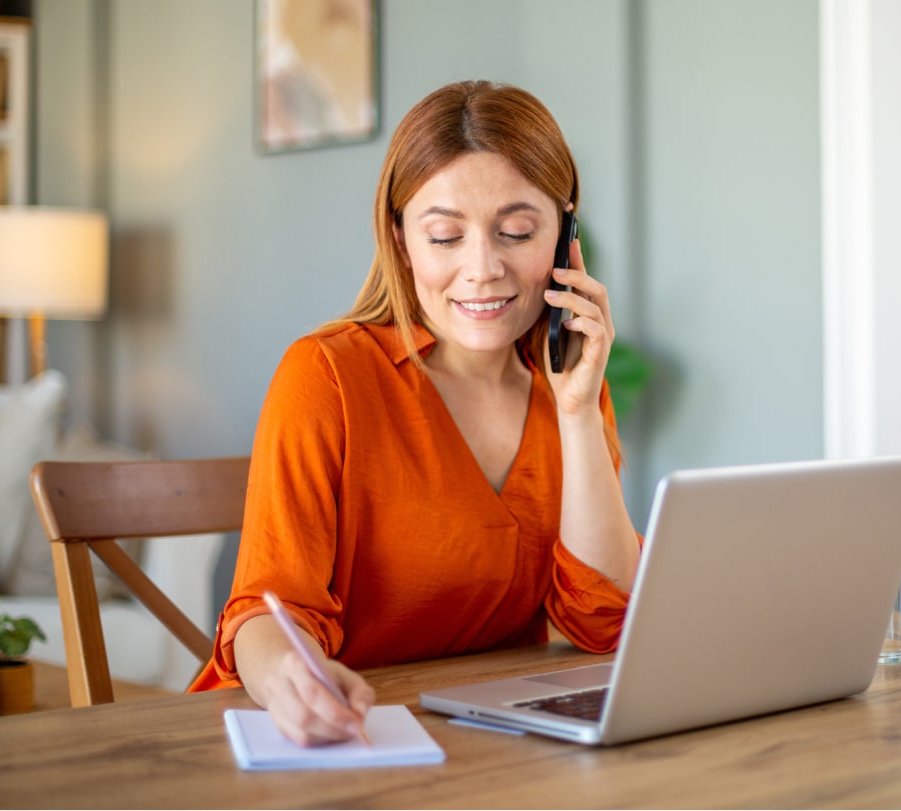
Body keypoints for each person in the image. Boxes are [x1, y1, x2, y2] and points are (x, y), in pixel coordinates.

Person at [190, 79, 642, 745]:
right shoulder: (326, 375)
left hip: (486, 745)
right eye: (444, 236)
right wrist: (295, 674)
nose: (483, 267)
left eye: (517, 230)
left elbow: (606, 623)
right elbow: (265, 610)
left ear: (565, 232)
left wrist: (576, 413)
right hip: (331, 739)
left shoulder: (568, 380)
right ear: (400, 238)